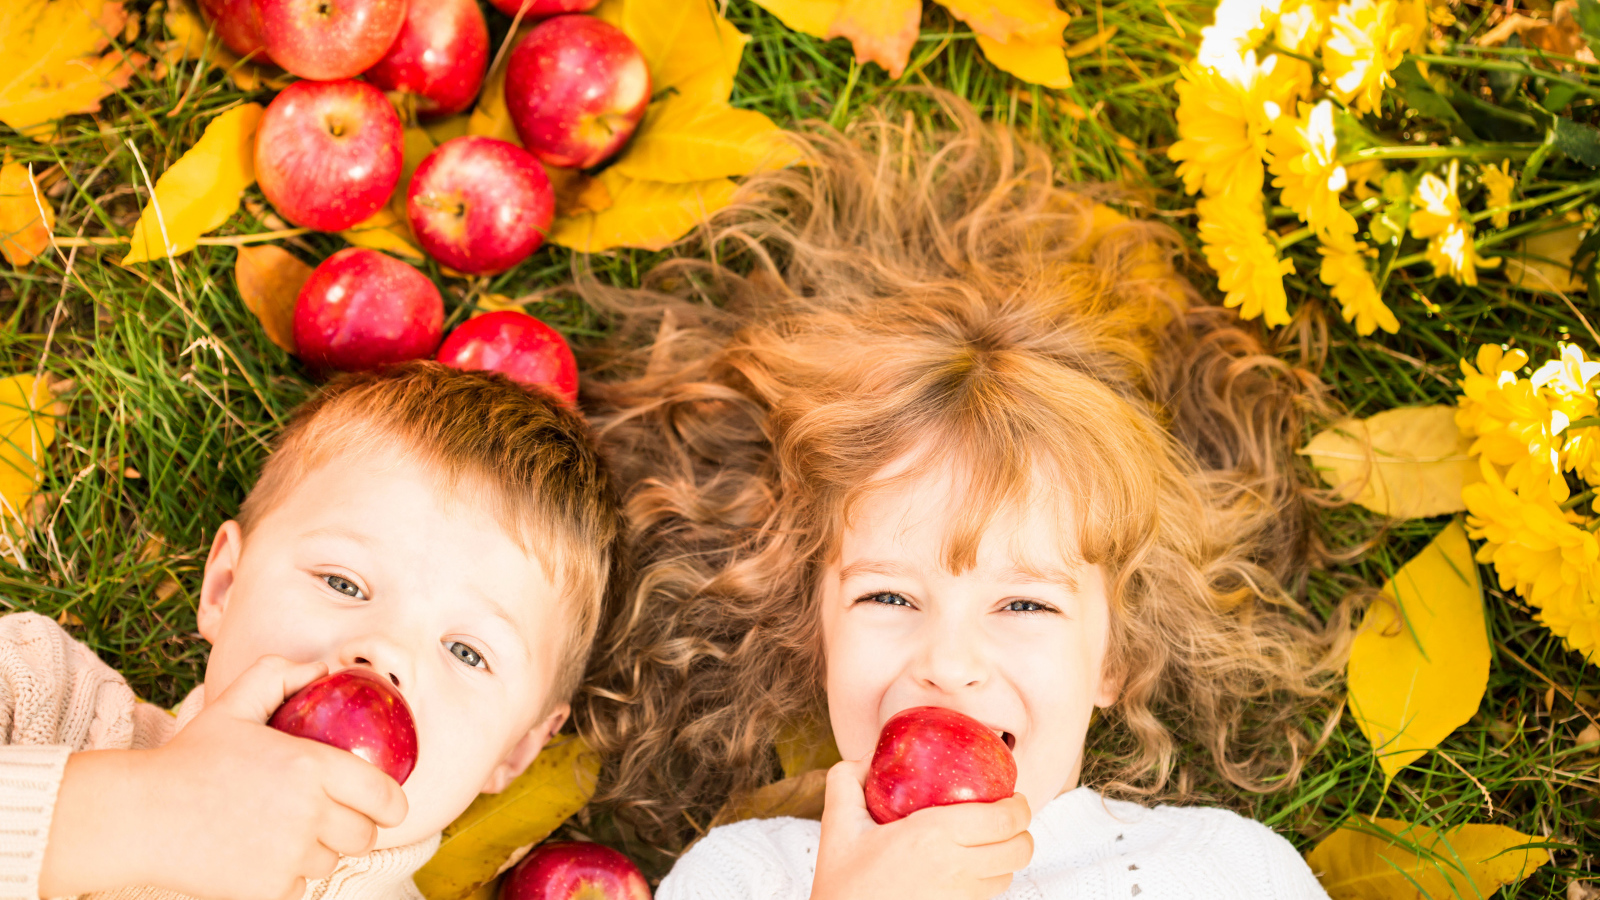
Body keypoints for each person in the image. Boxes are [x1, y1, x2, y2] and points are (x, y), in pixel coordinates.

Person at [575, 102, 1352, 899]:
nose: (948, 664)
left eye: (1022, 605)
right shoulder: (747, 878)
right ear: (817, 628)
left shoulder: (1226, 871)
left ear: (1114, 657)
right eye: (887, 594)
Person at [0, 362, 622, 900]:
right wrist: (141, 811)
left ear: (518, 750)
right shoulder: (41, 698)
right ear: (224, 586)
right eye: (343, 583)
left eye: (467, 651)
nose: (383, 652)